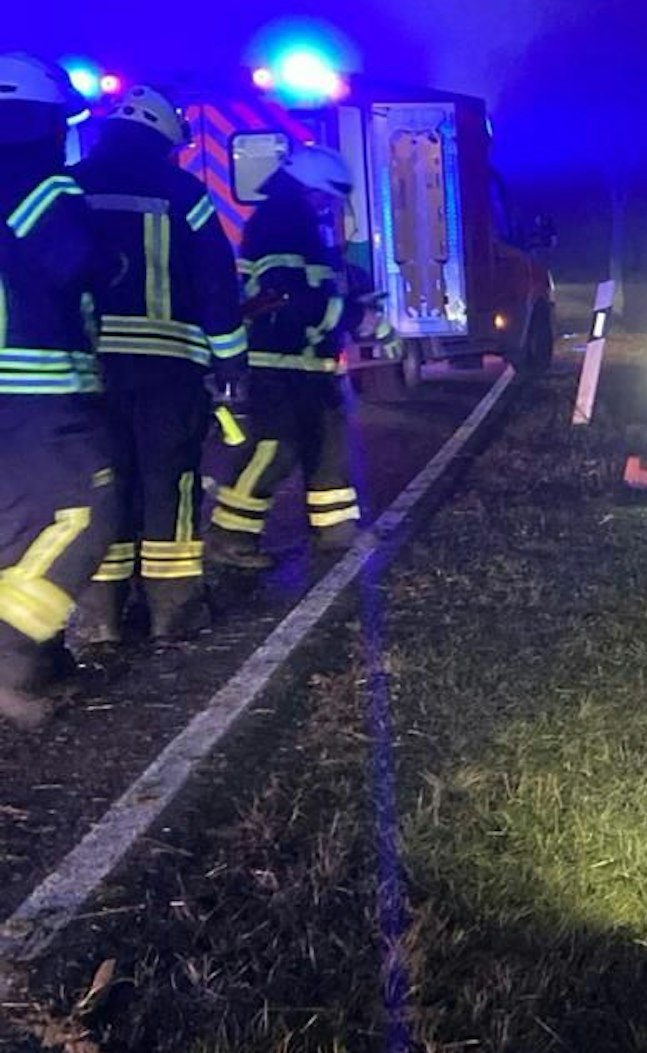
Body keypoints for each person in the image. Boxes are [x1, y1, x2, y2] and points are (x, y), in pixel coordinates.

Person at [70, 84, 247, 641]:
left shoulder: (69, 187)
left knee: (104, 483)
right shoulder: (183, 191)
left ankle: (102, 618)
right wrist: (231, 363)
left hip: (85, 370)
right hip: (167, 368)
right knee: (167, 480)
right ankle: (173, 610)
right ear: (166, 138)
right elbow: (215, 283)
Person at [0, 53, 119, 728]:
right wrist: (113, 259)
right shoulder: (43, 185)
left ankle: (38, 662)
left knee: (14, 522)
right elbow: (74, 261)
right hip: (33, 379)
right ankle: (11, 657)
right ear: (42, 121)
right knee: (85, 508)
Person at [207, 145, 374, 569]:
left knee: (326, 445)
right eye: (329, 198)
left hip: (304, 361)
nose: (331, 207)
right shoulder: (280, 223)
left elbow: (311, 286)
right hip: (278, 360)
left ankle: (335, 531)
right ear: (313, 188)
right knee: (274, 448)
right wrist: (352, 316)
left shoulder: (293, 221)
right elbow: (289, 294)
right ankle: (229, 535)